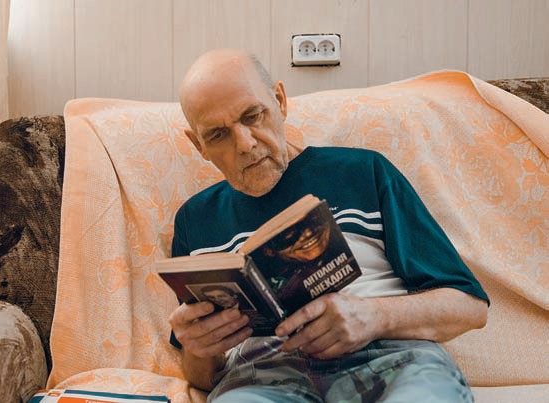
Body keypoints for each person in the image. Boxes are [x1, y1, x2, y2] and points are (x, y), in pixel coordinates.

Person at [168, 48, 489, 402]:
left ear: (280, 101)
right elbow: (201, 377)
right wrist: (197, 348)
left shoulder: (364, 172)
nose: (245, 144)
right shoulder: (194, 220)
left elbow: (469, 307)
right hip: (262, 379)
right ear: (198, 145)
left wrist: (373, 317)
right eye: (217, 135)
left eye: (253, 116)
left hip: (391, 357)